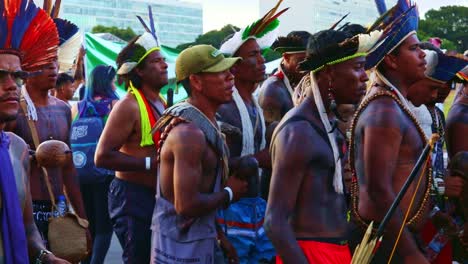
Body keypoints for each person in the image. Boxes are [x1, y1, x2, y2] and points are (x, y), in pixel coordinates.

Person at [264, 27, 380, 263]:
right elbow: (275, 221)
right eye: (357, 67)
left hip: (335, 252)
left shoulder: (327, 123)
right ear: (329, 73)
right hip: (308, 254)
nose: (365, 77)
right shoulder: (298, 132)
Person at [348, 1, 432, 263]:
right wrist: (408, 252)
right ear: (392, 60)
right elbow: (378, 190)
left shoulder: (392, 104)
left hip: (393, 239)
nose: (423, 55)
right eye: (414, 48)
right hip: (385, 244)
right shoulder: (384, 110)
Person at [149, 44, 247, 264]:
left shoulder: (205, 124)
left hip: (198, 243)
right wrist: (231, 192)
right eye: (221, 72)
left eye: (229, 70)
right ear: (196, 81)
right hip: (179, 250)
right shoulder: (189, 134)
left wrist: (220, 238)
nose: (230, 77)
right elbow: (186, 206)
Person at [4, 1, 89, 249]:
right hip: (23, 208)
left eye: (55, 61)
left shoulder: (63, 109)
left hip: (58, 206)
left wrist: (83, 218)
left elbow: (69, 168)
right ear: (28, 68)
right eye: (46, 62)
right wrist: (32, 156)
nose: (53, 68)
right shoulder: (12, 109)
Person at [216, 4, 288, 262]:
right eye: (253, 55)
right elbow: (211, 167)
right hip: (229, 212)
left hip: (256, 207)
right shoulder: (224, 108)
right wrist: (259, 159)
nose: (261, 61)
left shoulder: (253, 104)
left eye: (261, 54)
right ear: (234, 65)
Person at [95, 28, 168, 263]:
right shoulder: (128, 105)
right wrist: (149, 162)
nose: (165, 65)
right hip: (131, 199)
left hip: (156, 196)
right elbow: (102, 156)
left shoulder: (161, 101)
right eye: (157, 61)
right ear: (139, 70)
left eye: (164, 60)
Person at [72, 65, 119, 264]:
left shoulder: (78, 107)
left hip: (81, 172)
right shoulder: (113, 105)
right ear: (108, 82)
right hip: (105, 174)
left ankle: (86, 261)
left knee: (89, 223)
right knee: (104, 227)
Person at [258, 31, 311, 124]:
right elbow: (270, 133)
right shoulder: (273, 90)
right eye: (302, 60)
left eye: (310, 60)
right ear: (286, 57)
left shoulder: (300, 83)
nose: (307, 66)